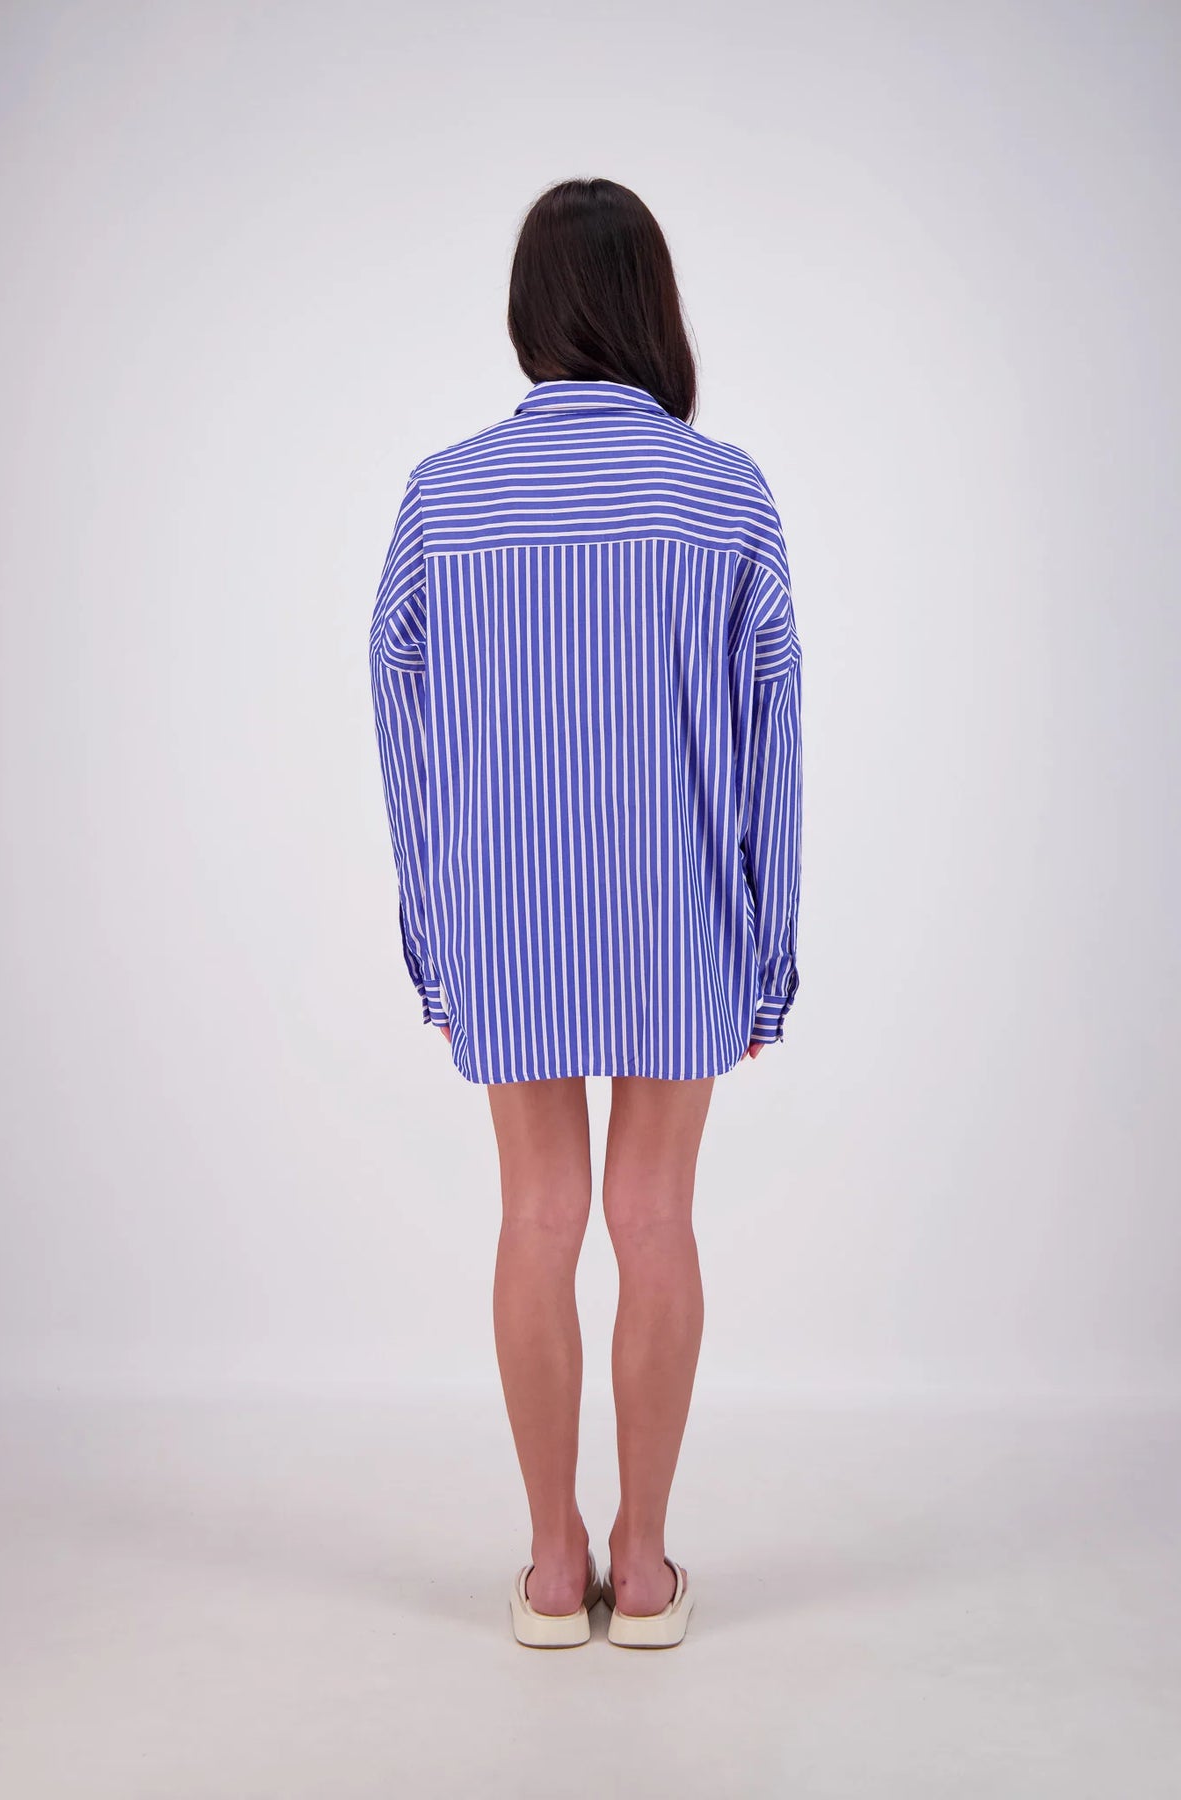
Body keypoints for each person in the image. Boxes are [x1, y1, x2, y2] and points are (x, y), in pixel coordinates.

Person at [368, 177, 803, 1648]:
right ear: (653, 309)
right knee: (656, 1216)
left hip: (511, 920)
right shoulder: (724, 492)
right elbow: (774, 737)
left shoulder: (445, 495)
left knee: (539, 1214)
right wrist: (767, 953)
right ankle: (648, 1565)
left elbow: (401, 726)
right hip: (683, 911)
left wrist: (438, 938)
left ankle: (556, 1568)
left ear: (528, 310)